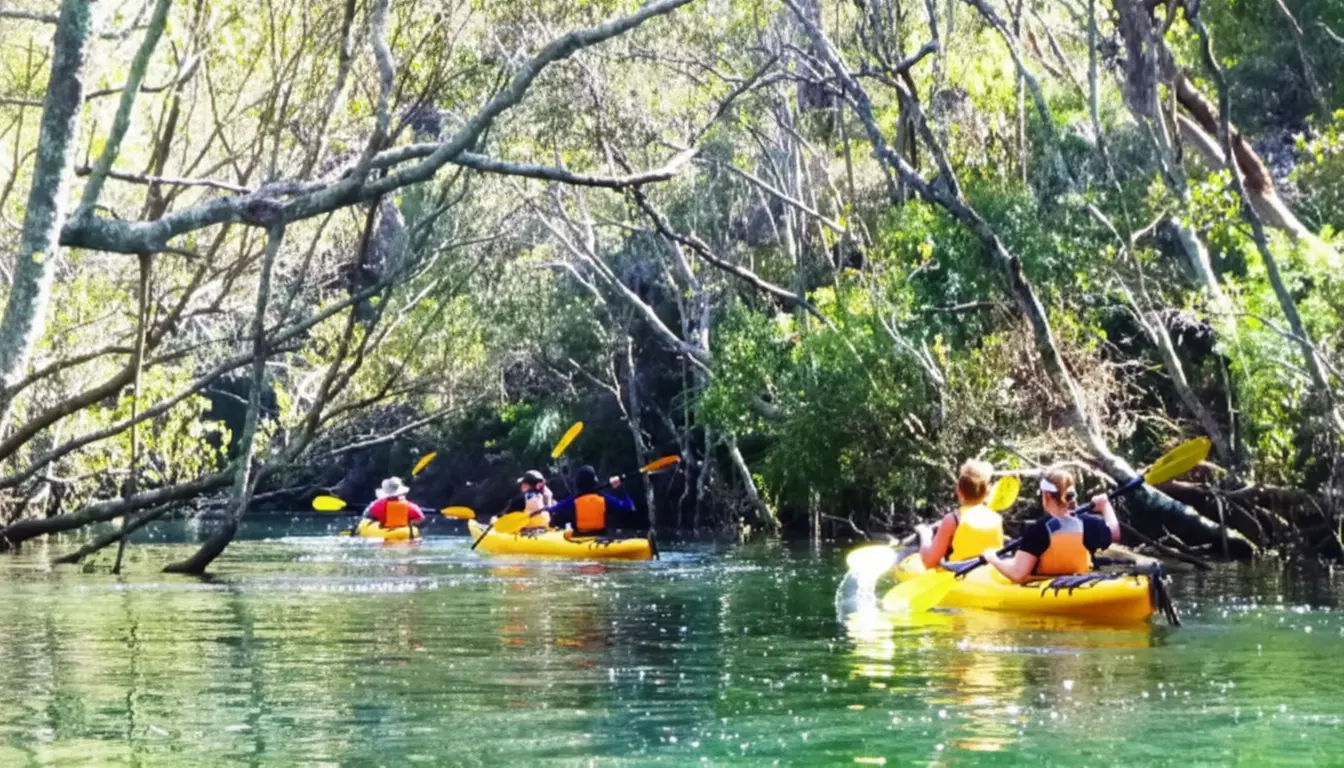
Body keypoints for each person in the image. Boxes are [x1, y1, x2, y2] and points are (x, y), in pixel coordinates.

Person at [983, 465, 1121, 583]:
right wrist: (1105, 505)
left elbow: (1018, 574)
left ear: (1047, 496)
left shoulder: (1037, 529)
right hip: (1079, 580)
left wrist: (993, 559)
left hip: (1043, 586)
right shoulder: (1090, 523)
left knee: (1007, 561)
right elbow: (1115, 533)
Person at [915, 459, 1003, 568]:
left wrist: (925, 535)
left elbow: (930, 562)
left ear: (958, 490)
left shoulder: (952, 519)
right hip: (989, 574)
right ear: (987, 492)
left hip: (961, 575)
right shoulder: (997, 518)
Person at [548, 465, 635, 538]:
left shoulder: (571, 502)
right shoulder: (604, 499)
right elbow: (630, 508)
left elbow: (553, 511)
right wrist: (620, 488)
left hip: (578, 539)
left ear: (578, 484)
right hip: (600, 538)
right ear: (595, 482)